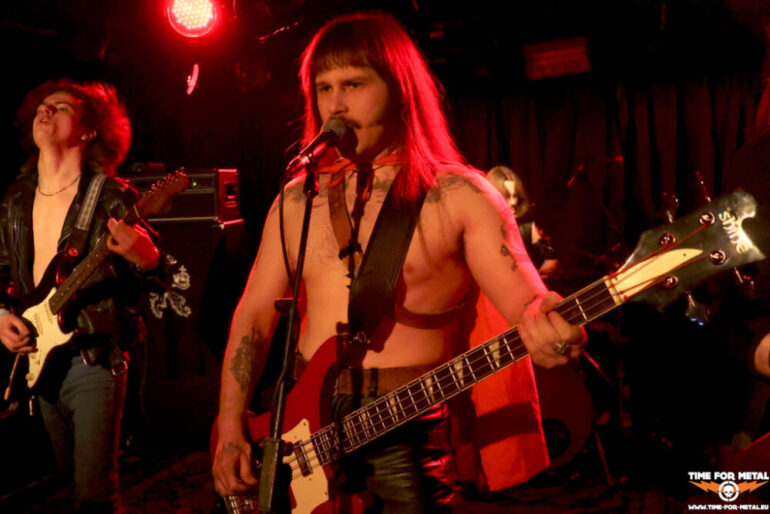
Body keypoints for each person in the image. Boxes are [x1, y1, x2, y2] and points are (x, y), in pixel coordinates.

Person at [212, 11, 585, 512]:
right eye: (324, 88)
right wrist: (231, 426)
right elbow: (255, 318)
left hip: (407, 433)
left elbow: (529, 306)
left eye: (354, 84)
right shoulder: (298, 199)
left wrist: (550, 328)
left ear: (400, 90)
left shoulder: (460, 195)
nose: (336, 105)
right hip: (301, 430)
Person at [0, 79, 163, 512]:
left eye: (61, 107)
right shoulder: (16, 198)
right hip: (40, 358)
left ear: (89, 131)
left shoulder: (111, 196)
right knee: (70, 485)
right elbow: (2, 272)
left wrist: (148, 259)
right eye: (41, 106)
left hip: (94, 357)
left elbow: (164, 278)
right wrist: (0, 316)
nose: (45, 111)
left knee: (94, 495)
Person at [487, 165, 558, 279]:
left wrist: (534, 279)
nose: (513, 202)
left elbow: (552, 259)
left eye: (515, 196)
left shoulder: (527, 228)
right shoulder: (483, 232)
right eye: (507, 196)